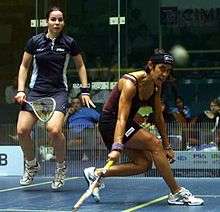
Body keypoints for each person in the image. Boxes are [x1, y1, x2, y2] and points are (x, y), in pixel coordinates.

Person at [83, 49, 204, 205]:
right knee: (154, 143)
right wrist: (117, 146)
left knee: (143, 165)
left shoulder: (156, 85)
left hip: (126, 123)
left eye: (168, 71)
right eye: (162, 68)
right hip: (111, 124)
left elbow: (159, 117)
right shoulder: (130, 82)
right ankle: (177, 192)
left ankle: (96, 173)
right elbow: (121, 117)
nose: (165, 74)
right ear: (150, 66)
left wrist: (167, 145)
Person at [14, 6, 94, 190]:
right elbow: (24, 66)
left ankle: (60, 168)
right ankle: (32, 164)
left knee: (54, 130)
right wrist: (21, 90)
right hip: (36, 92)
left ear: (63, 22)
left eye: (60, 20)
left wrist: (84, 90)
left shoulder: (69, 42)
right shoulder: (34, 42)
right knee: (22, 130)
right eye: (53, 19)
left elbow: (80, 66)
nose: (57, 22)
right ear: (46, 22)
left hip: (58, 92)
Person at [65, 96, 100, 160]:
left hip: (87, 130)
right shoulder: (70, 113)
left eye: (77, 103)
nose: (75, 105)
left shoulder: (87, 110)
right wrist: (68, 114)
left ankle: (89, 155)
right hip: (73, 131)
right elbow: (62, 125)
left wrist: (98, 125)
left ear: (81, 104)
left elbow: (100, 118)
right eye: (73, 103)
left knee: (89, 134)